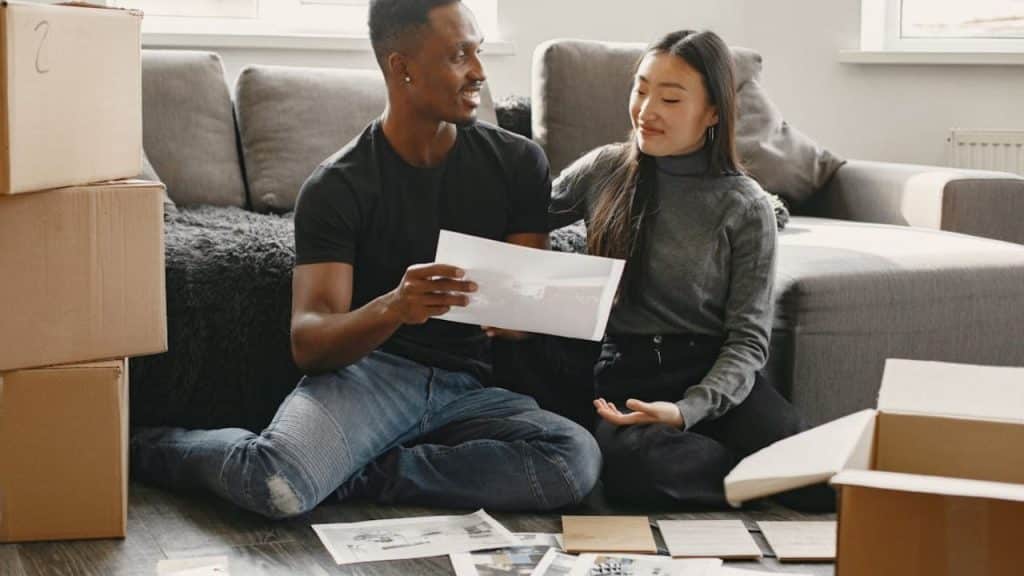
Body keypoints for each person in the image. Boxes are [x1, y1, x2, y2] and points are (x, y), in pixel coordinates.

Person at [130, 0, 600, 519]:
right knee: (276, 484)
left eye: (479, 52)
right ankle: (147, 447)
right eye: (459, 55)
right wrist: (395, 306)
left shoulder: (517, 163)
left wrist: (526, 313)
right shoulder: (338, 185)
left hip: (467, 388)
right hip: (369, 376)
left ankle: (362, 475)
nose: (480, 72)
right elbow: (309, 341)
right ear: (403, 68)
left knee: (574, 459)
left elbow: (523, 311)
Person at [549, 29, 828, 508]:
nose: (646, 109)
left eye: (671, 98)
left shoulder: (746, 205)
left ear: (713, 112)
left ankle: (757, 473)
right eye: (640, 89)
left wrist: (685, 411)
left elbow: (748, 341)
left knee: (824, 484)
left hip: (714, 372)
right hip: (628, 374)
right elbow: (523, 222)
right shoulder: (604, 170)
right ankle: (753, 478)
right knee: (640, 469)